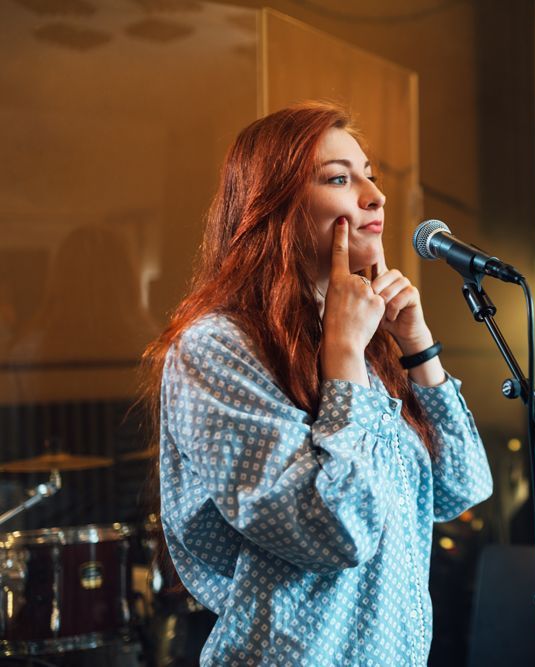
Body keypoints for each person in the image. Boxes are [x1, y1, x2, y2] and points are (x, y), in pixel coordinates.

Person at [141, 101, 493, 666]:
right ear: (272, 208)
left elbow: (461, 488)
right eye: (338, 178)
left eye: (368, 173)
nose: (374, 195)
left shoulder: (360, 340)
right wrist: (346, 357)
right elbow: (335, 531)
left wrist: (418, 349)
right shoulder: (216, 348)